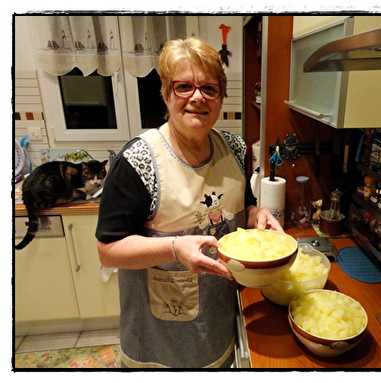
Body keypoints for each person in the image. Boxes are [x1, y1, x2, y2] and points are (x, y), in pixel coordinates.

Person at [95, 37, 282, 368]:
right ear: (167, 94)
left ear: (221, 98)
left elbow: (245, 203)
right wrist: (173, 249)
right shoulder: (139, 160)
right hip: (160, 342)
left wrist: (257, 214)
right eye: (184, 87)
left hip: (220, 322)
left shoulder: (236, 149)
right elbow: (108, 250)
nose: (197, 97)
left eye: (209, 89)